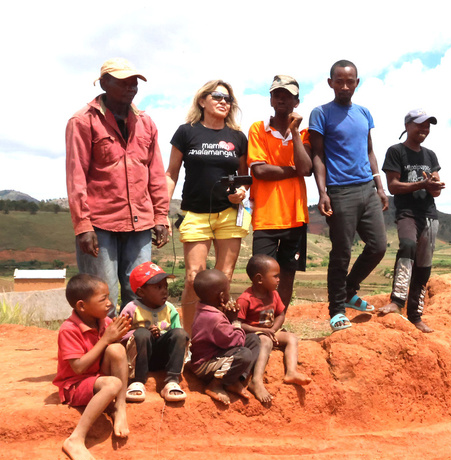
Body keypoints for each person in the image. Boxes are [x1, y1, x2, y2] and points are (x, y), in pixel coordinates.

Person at [66, 58, 170, 317]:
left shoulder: (146, 123)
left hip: (141, 223)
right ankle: (104, 354)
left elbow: (156, 174)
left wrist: (161, 217)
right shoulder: (82, 121)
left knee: (142, 292)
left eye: (134, 82)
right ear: (104, 83)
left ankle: (136, 352)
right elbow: (76, 175)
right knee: (103, 296)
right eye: (123, 82)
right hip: (100, 223)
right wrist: (83, 225)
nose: (131, 87)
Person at [309, 60, 388, 332]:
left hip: (368, 188)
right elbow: (317, 155)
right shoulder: (320, 114)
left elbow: (369, 151)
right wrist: (322, 192)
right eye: (339, 81)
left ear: (357, 82)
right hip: (340, 192)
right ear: (330, 82)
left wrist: (380, 186)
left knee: (378, 246)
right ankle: (336, 310)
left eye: (350, 80)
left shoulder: (364, 113)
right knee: (341, 252)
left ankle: (349, 290)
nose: (344, 86)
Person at [165, 80, 250, 336]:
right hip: (195, 213)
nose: (224, 102)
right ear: (202, 100)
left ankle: (218, 336)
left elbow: (245, 179)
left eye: (228, 99)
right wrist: (161, 211)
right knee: (193, 277)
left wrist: (242, 193)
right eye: (218, 96)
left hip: (229, 214)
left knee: (223, 279)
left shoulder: (237, 137)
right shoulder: (186, 132)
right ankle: (189, 339)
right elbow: (171, 173)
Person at [247, 75, 314, 308]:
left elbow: (306, 169)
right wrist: (293, 170)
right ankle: (260, 319)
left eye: (288, 95)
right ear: (271, 100)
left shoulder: (304, 134)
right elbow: (261, 171)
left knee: (287, 272)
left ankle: (279, 319)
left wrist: (294, 132)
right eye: (277, 94)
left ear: (297, 102)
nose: (282, 99)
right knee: (261, 273)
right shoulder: (258, 129)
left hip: (295, 216)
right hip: (266, 216)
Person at [54, 274, 132, 460]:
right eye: (103, 299)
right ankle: (76, 439)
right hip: (75, 384)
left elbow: (112, 353)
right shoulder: (68, 329)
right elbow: (78, 367)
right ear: (81, 306)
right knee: (113, 383)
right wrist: (106, 339)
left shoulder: (103, 321)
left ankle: (119, 408)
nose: (109, 303)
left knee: (118, 350)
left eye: (108, 296)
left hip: (96, 377)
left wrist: (116, 337)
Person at [378, 109, 445, 333]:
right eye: (420, 125)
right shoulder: (396, 152)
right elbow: (393, 186)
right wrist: (421, 185)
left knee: (424, 262)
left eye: (428, 126)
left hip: (429, 214)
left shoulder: (430, 155)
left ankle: (415, 315)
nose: (424, 129)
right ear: (407, 125)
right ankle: (397, 300)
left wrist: (435, 186)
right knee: (408, 246)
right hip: (407, 212)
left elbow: (435, 191)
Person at [237, 255, 311, 403]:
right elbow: (238, 324)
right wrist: (263, 331)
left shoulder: (274, 294)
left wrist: (273, 329)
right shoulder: (245, 299)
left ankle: (291, 371)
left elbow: (280, 314)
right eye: (275, 276)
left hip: (271, 331)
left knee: (291, 337)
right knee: (265, 341)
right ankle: (256, 381)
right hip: (254, 334)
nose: (279, 279)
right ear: (259, 279)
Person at [119, 262, 188, 403]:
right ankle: (137, 381)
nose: (165, 291)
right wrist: (141, 331)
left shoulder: (169, 309)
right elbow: (120, 336)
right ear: (141, 292)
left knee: (180, 333)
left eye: (165, 286)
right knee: (142, 334)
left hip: (164, 358)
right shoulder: (131, 309)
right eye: (158, 287)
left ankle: (171, 381)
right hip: (139, 359)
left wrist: (161, 335)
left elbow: (176, 335)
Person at [188, 269, 258, 405]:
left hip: (217, 354)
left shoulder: (205, 308)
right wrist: (234, 321)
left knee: (254, 340)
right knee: (244, 354)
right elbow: (235, 343)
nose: (229, 295)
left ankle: (235, 380)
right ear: (221, 297)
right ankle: (216, 384)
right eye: (228, 291)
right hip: (205, 365)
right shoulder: (215, 319)